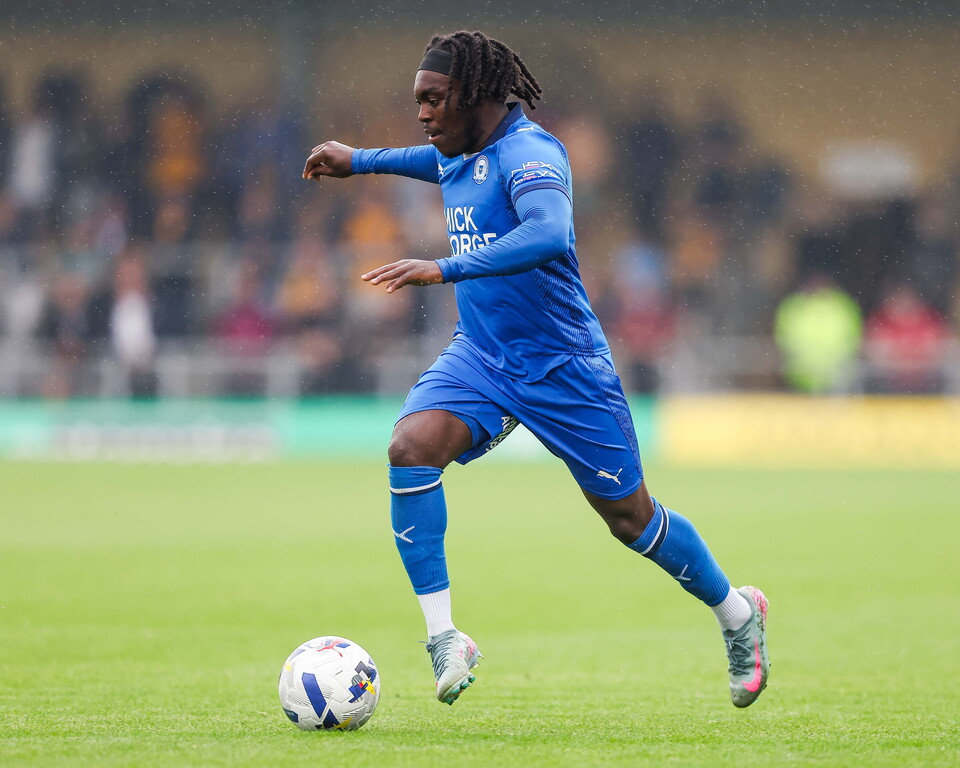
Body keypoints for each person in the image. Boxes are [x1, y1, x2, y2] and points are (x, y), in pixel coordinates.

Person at [303, 30, 769, 709]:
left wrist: (445, 267)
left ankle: (737, 612)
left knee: (631, 520)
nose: (423, 114)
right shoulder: (459, 151)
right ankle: (445, 638)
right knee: (410, 447)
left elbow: (549, 232)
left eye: (434, 100)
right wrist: (360, 160)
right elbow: (433, 163)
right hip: (482, 355)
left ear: (474, 96)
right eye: (419, 101)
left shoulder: (531, 153)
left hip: (563, 367)